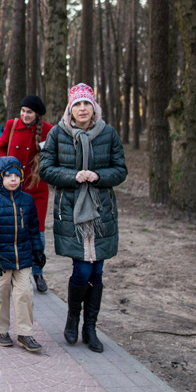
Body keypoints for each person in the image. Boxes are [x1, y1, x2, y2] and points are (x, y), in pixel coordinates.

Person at [40, 83, 127, 353]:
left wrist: (99, 176)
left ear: (94, 107)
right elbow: (46, 169)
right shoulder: (57, 134)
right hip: (72, 212)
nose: (82, 109)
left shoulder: (109, 134)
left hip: (101, 212)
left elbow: (120, 170)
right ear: (70, 108)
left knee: (97, 272)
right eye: (77, 104)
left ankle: (90, 328)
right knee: (82, 270)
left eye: (86, 104)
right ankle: (72, 320)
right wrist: (73, 176)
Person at [0, 156, 43, 352]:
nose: (13, 179)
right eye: (8, 176)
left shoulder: (27, 200)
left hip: (23, 258)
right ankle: (1, 330)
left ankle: (25, 334)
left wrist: (38, 249)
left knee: (24, 295)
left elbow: (33, 228)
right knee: (0, 295)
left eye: (17, 175)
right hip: (0, 259)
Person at [0, 95, 54, 292]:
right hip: (13, 187)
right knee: (12, 229)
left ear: (37, 114)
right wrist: (4, 166)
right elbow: (0, 148)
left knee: (37, 231)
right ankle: (14, 270)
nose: (25, 115)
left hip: (37, 189)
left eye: (29, 112)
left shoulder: (48, 130)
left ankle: (37, 271)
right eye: (23, 111)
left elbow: (54, 156)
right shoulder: (12, 125)